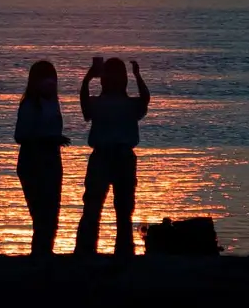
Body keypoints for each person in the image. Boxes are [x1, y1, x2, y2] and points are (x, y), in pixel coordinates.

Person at [73, 55, 149, 255]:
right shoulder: (124, 104)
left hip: (109, 156)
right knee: (119, 210)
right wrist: (138, 76)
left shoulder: (102, 103)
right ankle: (120, 251)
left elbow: (85, 107)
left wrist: (87, 80)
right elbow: (145, 101)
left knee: (96, 208)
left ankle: (86, 251)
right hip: (117, 156)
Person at [13, 59, 68, 255]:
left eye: (52, 78)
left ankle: (45, 254)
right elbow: (20, 136)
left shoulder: (53, 102)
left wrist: (54, 140)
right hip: (33, 162)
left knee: (52, 215)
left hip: (52, 160)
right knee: (41, 216)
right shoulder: (30, 105)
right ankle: (39, 257)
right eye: (45, 78)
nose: (50, 82)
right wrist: (49, 140)